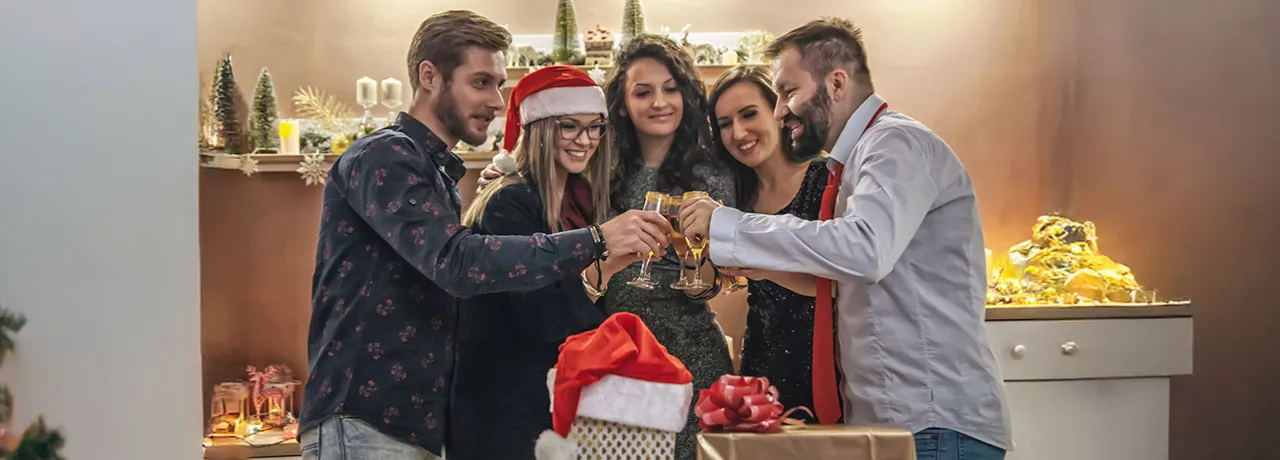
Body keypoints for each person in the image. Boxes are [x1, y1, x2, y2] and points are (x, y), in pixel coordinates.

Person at [298, 11, 670, 460]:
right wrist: (597, 240)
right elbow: (458, 263)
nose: (497, 102)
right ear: (430, 76)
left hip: (413, 422)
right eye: (481, 83)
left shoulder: (434, 173)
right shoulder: (385, 154)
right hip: (366, 417)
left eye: (498, 84)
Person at [680, 18, 1012, 460]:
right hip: (896, 421)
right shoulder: (858, 160)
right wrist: (758, 266)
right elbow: (850, 277)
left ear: (836, 83)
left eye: (787, 92)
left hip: (933, 424)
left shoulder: (895, 143)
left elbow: (865, 249)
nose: (780, 110)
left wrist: (730, 225)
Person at [477, 34, 736, 460]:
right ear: (620, 104)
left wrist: (699, 275)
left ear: (687, 95)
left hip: (688, 349)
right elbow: (546, 204)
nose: (660, 102)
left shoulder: (714, 174)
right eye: (643, 91)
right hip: (604, 349)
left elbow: (715, 282)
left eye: (671, 88)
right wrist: (503, 174)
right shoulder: (597, 165)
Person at [448, 66, 633, 460]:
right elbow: (544, 320)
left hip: (554, 409)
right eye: (570, 126)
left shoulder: (583, 202)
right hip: (505, 415)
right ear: (541, 129)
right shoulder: (509, 203)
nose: (586, 140)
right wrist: (607, 266)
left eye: (595, 127)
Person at [706, 64, 832, 421]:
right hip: (761, 367)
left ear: (779, 112)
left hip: (828, 366)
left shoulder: (825, 180)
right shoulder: (737, 194)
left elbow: (844, 286)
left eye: (749, 114)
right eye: (725, 123)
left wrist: (763, 267)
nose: (738, 132)